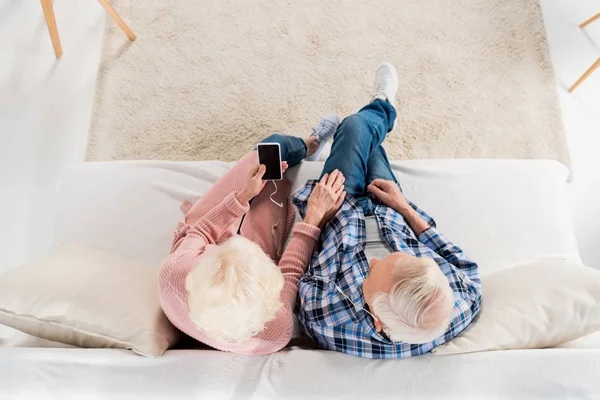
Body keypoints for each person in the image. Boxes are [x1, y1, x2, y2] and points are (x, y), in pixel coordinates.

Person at [293, 62, 482, 359]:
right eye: (397, 258)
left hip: (338, 210)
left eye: (371, 275)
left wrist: (317, 215)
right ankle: (381, 107)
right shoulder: (458, 304)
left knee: (354, 128)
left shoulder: (326, 318)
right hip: (391, 208)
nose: (374, 261)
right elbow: (467, 268)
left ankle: (367, 115)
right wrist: (404, 207)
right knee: (367, 141)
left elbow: (302, 275)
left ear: (377, 321)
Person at [158, 115, 346, 355]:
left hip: (204, 233)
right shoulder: (276, 330)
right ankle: (311, 147)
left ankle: (309, 145)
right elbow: (290, 273)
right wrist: (313, 218)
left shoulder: (174, 274)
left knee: (271, 150)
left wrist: (243, 196)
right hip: (248, 254)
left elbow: (202, 231)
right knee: (275, 165)